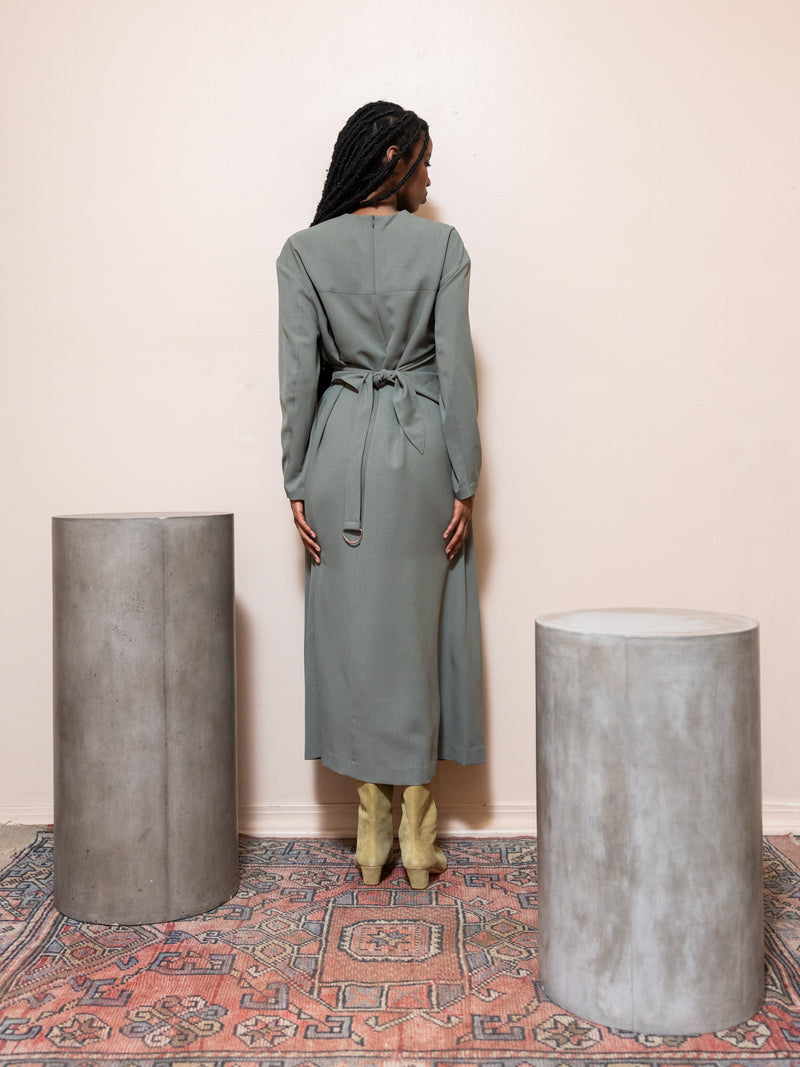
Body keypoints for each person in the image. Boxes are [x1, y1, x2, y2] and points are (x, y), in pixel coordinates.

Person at [277, 101, 484, 889]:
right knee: (424, 630)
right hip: (423, 450)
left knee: (353, 634)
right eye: (424, 159)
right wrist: (465, 477)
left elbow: (299, 378)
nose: (431, 175)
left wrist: (297, 478)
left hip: (338, 456)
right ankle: (420, 836)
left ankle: (371, 832)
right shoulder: (443, 246)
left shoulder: (303, 252)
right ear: (394, 159)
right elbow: (455, 373)